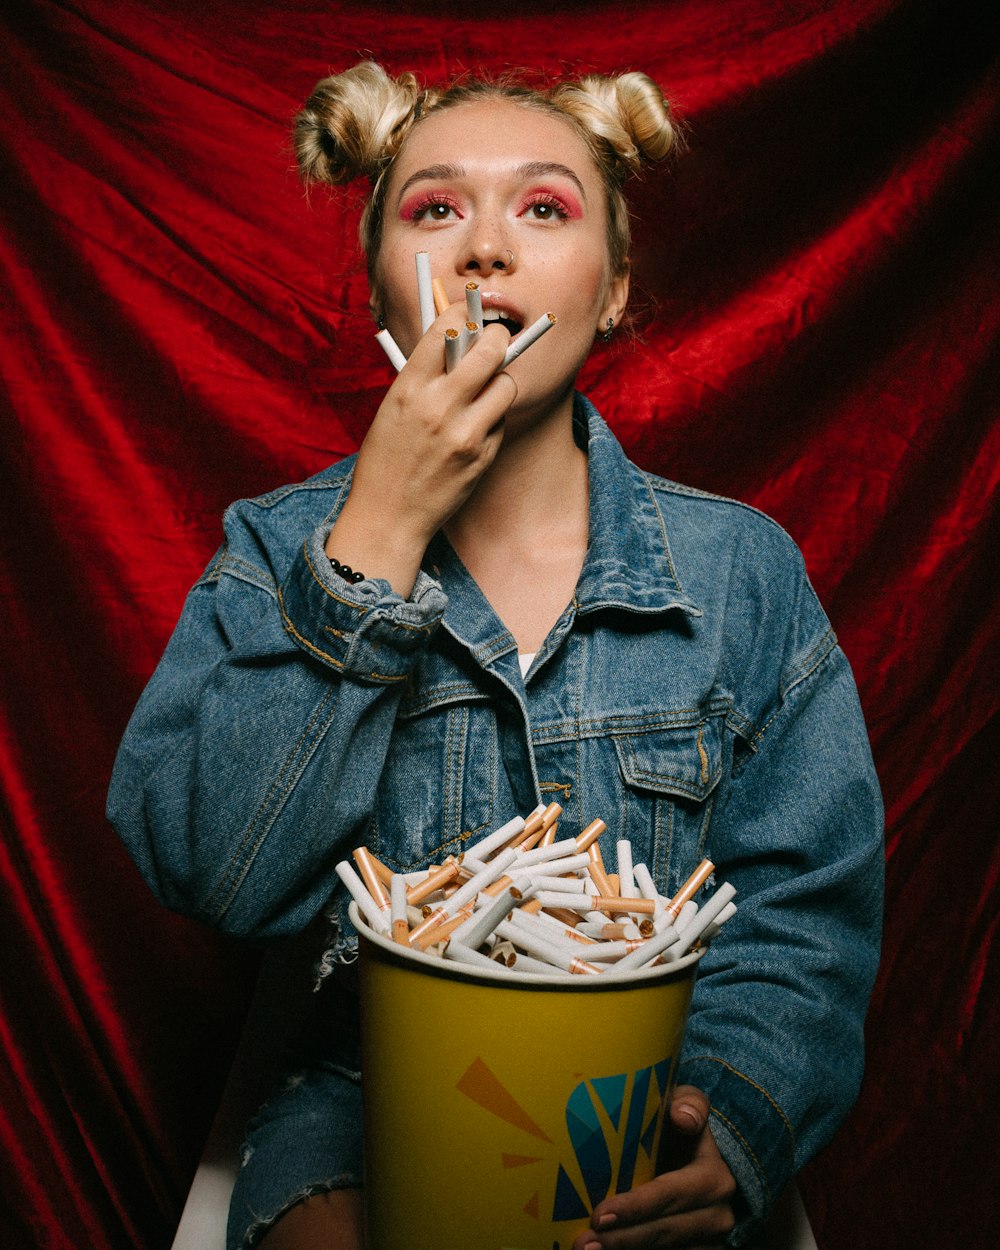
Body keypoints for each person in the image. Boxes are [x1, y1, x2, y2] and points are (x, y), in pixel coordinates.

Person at [107, 61, 883, 1250]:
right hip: (355, 1097)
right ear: (379, 279)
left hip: (647, 1091)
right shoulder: (276, 548)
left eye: (543, 207)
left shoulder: (740, 572)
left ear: (614, 286)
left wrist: (730, 1117)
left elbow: (806, 912)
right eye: (433, 208)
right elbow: (218, 874)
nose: (483, 249)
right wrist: (377, 537)